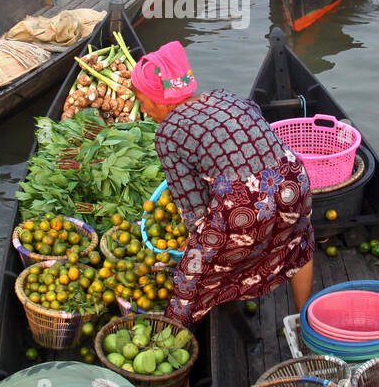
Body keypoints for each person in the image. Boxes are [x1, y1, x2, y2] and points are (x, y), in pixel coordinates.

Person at [132, 41, 314, 326]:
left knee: (189, 276)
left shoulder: (167, 133)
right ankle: (307, 324)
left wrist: (199, 249)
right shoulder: (222, 95)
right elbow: (253, 124)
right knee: (297, 240)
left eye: (143, 102)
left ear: (159, 99)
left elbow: (193, 210)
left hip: (246, 206)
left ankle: (168, 341)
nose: (144, 111)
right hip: (292, 178)